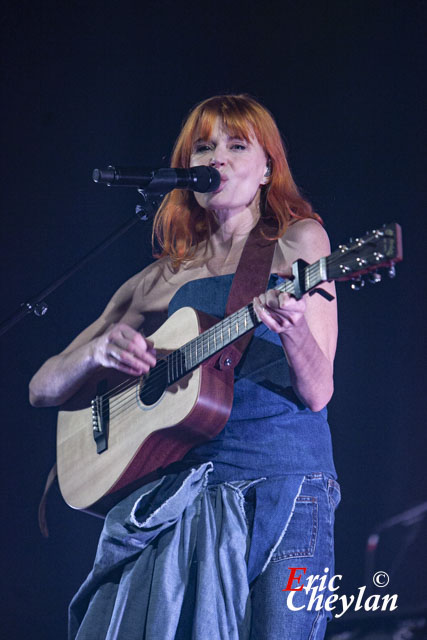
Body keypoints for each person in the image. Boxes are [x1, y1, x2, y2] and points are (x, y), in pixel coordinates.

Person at [30, 94, 340, 640]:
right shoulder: (161, 279)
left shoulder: (299, 242)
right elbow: (42, 387)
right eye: (204, 147)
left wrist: (292, 333)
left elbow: (318, 393)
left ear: (267, 168)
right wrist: (96, 354)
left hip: (286, 491)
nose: (217, 158)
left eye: (236, 146)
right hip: (189, 495)